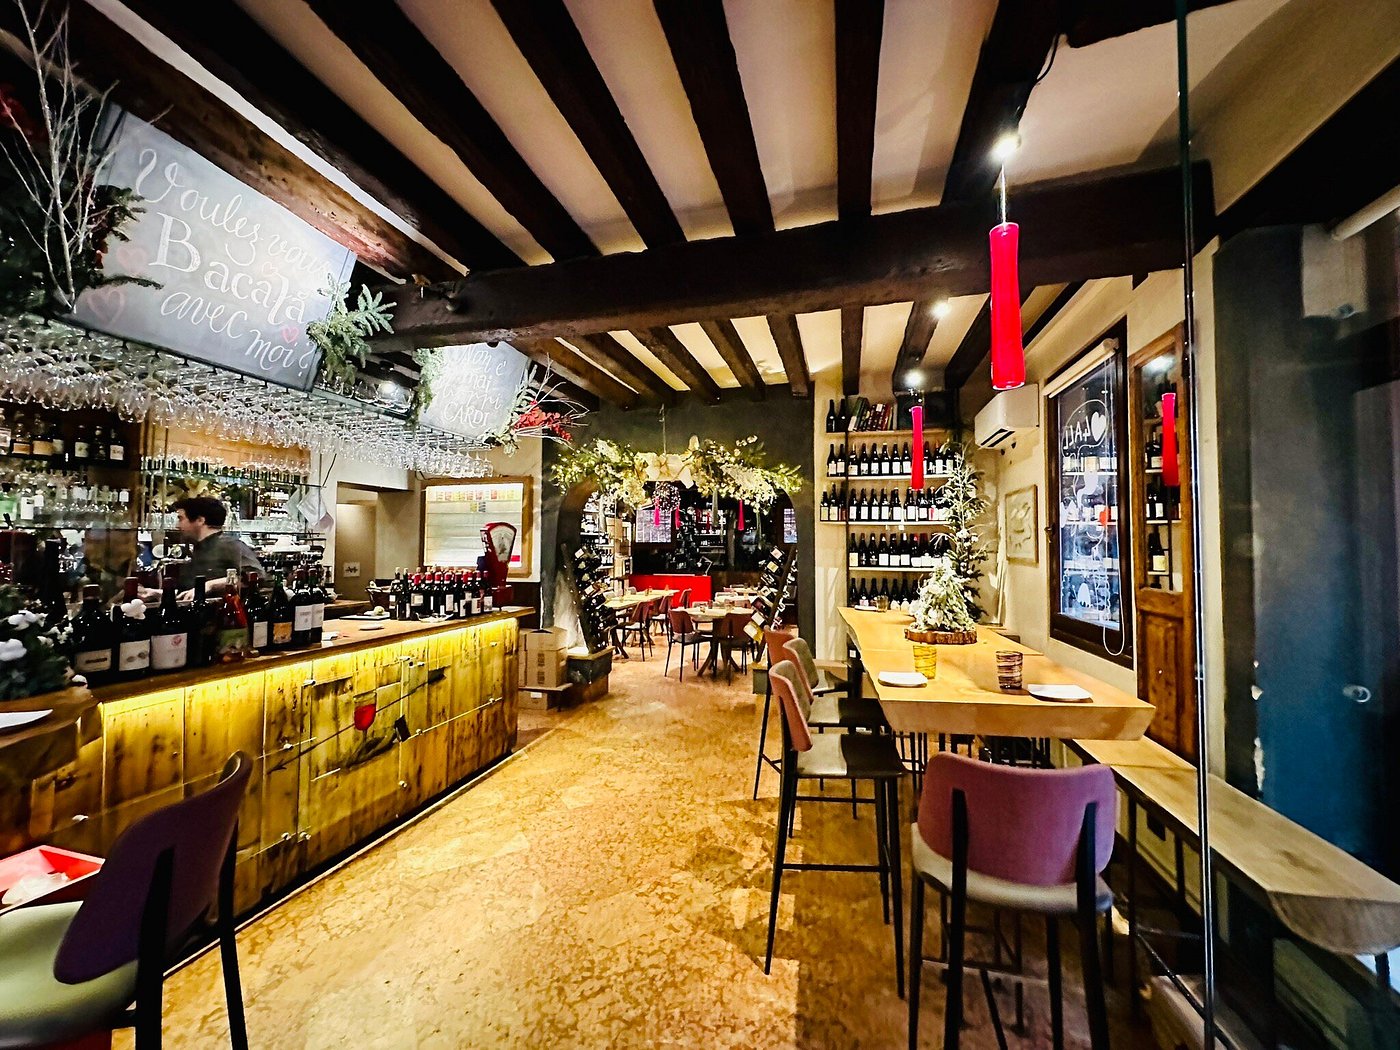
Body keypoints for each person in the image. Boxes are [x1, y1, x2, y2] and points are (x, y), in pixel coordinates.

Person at [169, 496, 264, 598]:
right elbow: (189, 591)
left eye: (181, 519)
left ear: (200, 520)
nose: (177, 526)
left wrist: (211, 585)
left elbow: (257, 576)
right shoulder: (196, 547)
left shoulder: (230, 545)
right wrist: (164, 594)